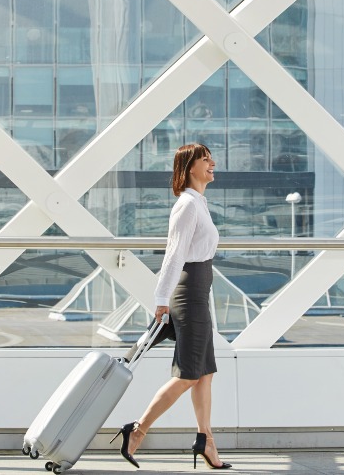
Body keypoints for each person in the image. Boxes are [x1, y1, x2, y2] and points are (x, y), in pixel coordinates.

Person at [111, 143, 232, 470]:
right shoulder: (187, 205)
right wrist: (161, 300)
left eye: (210, 159)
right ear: (189, 167)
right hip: (187, 293)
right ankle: (137, 431)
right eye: (205, 160)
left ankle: (206, 440)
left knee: (205, 373)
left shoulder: (199, 203)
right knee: (189, 374)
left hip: (198, 292)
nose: (212, 163)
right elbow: (174, 255)